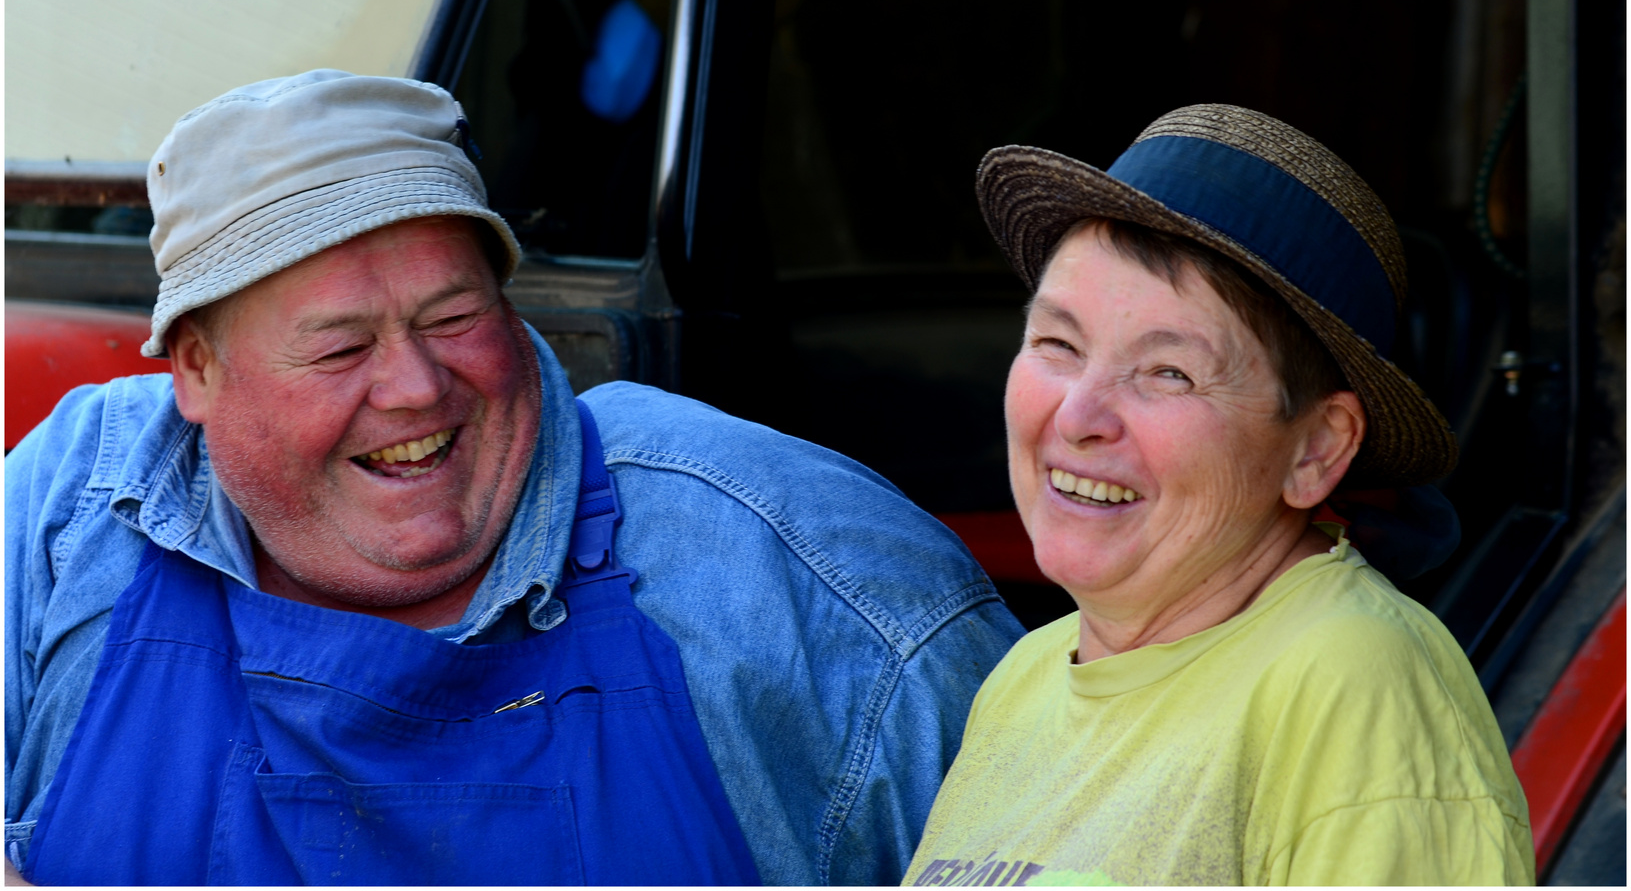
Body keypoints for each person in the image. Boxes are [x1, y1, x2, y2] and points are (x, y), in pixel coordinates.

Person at [4, 70, 1025, 885]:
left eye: (453, 318)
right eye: (339, 348)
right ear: (193, 370)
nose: (413, 387)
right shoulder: (79, 502)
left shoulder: (802, 575)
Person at [904, 105, 1534, 886]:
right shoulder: (1025, 678)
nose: (1077, 417)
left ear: (1316, 449)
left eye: (1168, 372)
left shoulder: (1350, 683)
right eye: (1057, 345)